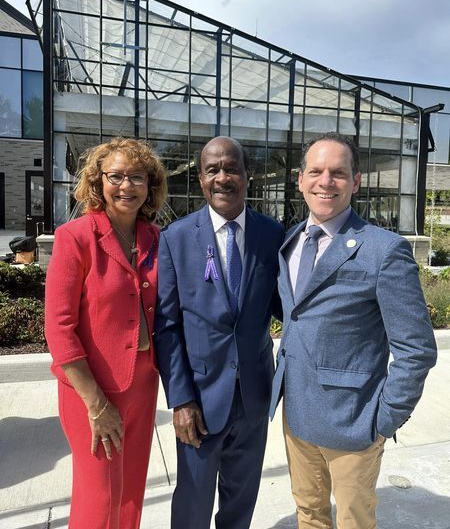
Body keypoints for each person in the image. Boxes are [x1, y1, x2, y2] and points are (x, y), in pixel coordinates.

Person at [270, 132, 437, 529]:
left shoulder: (383, 249)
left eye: (338, 173)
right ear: (300, 179)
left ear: (355, 181)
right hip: (297, 414)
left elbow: (416, 348)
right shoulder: (291, 240)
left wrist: (384, 419)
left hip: (354, 421)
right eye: (316, 171)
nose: (325, 181)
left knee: (354, 521)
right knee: (309, 515)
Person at [154, 136, 284, 529]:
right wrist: (180, 400)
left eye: (231, 168)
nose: (222, 177)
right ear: (200, 177)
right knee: (192, 505)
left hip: (253, 397)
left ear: (248, 175)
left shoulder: (273, 234)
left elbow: (288, 309)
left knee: (240, 504)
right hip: (199, 402)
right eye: (213, 169)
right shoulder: (175, 238)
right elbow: (167, 326)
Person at [45, 137, 167, 529]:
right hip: (91, 390)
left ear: (150, 186)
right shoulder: (75, 237)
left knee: (130, 492)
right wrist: (96, 404)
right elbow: (59, 329)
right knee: (99, 499)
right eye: (116, 176)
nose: (126, 186)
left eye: (137, 177)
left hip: (143, 384)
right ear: (98, 182)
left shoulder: (156, 238)